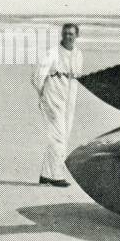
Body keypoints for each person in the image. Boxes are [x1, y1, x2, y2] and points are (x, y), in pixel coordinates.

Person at [31, 23, 84, 187]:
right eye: (66, 33)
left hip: (69, 99)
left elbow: (76, 76)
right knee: (58, 136)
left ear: (77, 36)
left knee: (63, 135)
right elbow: (36, 77)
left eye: (72, 34)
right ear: (62, 34)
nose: (69, 36)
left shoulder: (78, 54)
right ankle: (55, 176)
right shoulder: (52, 53)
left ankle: (46, 174)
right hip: (53, 98)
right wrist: (43, 96)